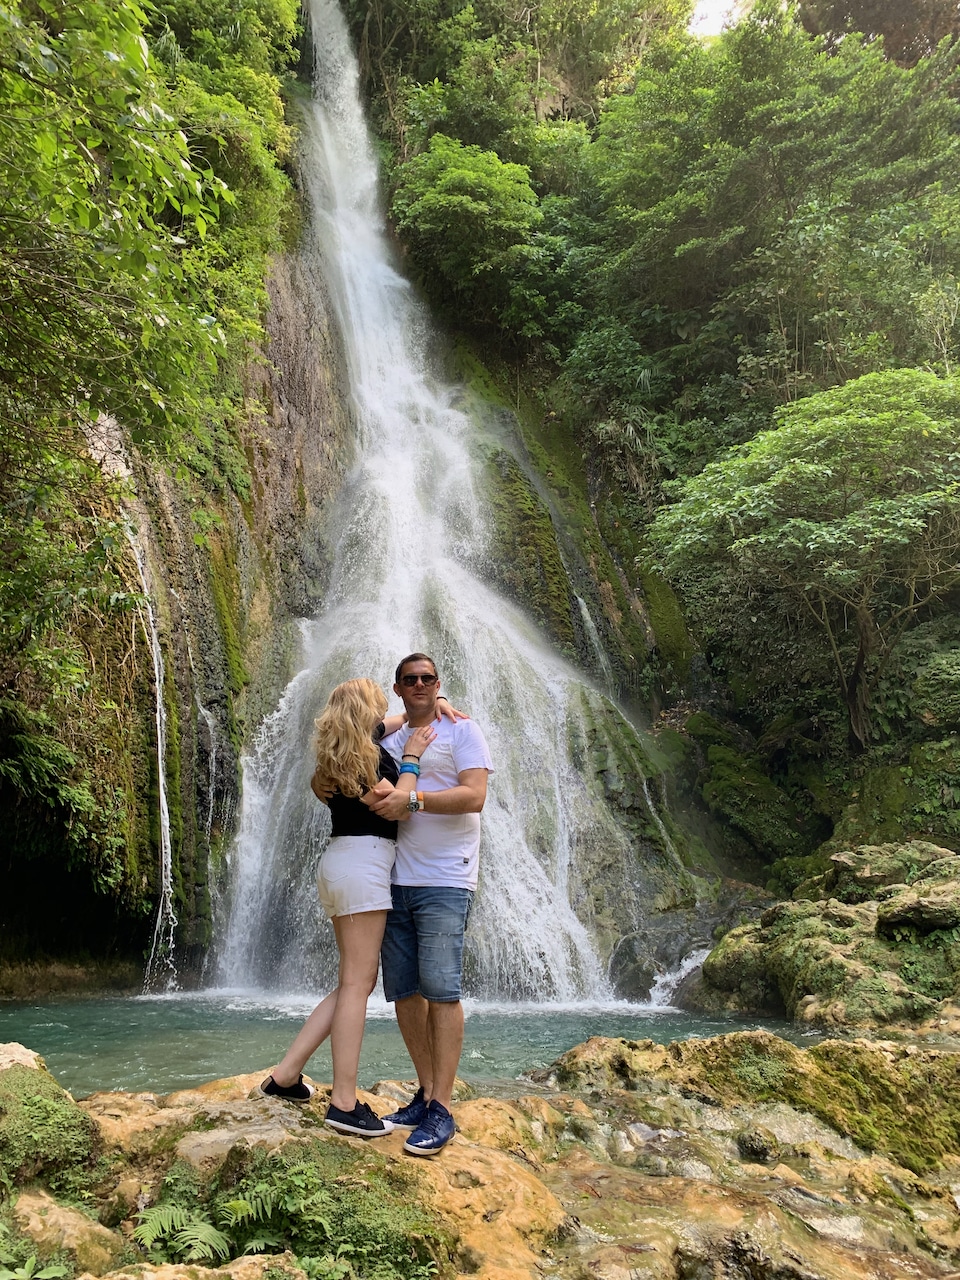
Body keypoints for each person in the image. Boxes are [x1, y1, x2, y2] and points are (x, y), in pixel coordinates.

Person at [259, 676, 448, 1136]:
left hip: (341, 863)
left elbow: (394, 721)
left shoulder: (342, 751)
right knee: (357, 985)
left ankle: (285, 1077)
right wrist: (413, 758)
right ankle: (344, 1103)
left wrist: (434, 703)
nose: (385, 713)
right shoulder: (365, 759)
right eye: (378, 706)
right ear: (364, 712)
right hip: (364, 866)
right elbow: (398, 807)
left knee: (352, 985)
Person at [369, 653, 493, 1157]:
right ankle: (424, 1094)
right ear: (398, 688)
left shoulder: (465, 733)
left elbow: (475, 795)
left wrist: (413, 802)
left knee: (442, 990)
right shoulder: (389, 742)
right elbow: (362, 726)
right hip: (394, 878)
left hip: (447, 877)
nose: (419, 685)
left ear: (438, 683)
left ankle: (443, 1107)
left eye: (429, 680)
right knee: (403, 990)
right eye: (410, 680)